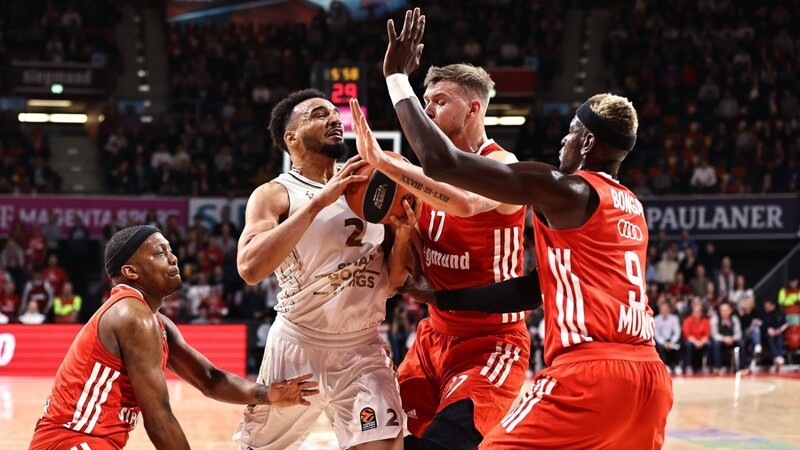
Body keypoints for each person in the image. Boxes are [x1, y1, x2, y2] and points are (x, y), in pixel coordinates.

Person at [376, 9, 672, 448]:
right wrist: (439, 296)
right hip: (650, 375)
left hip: (577, 367)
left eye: (570, 133)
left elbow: (445, 168)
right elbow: (534, 289)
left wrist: (396, 80)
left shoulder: (561, 188)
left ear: (587, 141)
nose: (562, 142)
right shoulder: (630, 207)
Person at [351, 61, 529, 449]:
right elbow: (399, 281)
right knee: (383, 441)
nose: (427, 111)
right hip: (432, 336)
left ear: (473, 109)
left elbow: (465, 204)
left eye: (439, 101)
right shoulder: (420, 185)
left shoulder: (502, 164)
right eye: (425, 101)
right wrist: (399, 233)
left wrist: (385, 164)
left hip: (491, 342)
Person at [232, 89, 413, 450]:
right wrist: (319, 203)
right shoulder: (275, 193)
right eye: (318, 114)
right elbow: (250, 268)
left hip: (362, 347)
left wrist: (404, 233)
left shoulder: (375, 188)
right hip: (298, 344)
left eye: (334, 112)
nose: (333, 118)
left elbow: (392, 282)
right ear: (292, 138)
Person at [30, 225, 319, 450]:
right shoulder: (131, 315)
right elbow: (158, 418)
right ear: (130, 272)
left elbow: (209, 379)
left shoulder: (156, 322)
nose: (173, 258)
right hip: (70, 441)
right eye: (159, 254)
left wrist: (267, 394)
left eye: (170, 250)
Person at [709, 302, 743, 373]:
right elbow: (714, 334)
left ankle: (742, 366)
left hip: (732, 340)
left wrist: (732, 338)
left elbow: (738, 334)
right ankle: (718, 367)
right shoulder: (715, 319)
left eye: (726, 310)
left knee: (741, 342)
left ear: (730, 310)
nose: (724, 312)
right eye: (722, 310)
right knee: (715, 343)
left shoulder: (734, 319)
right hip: (721, 341)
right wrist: (724, 339)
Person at [654, 302, 682, 374]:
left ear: (669, 310)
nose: (664, 311)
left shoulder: (674, 318)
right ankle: (665, 365)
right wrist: (664, 343)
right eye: (663, 309)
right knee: (659, 346)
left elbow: (677, 332)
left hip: (672, 339)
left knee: (678, 345)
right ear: (660, 310)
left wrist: (672, 342)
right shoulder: (656, 319)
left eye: (666, 309)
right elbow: (656, 334)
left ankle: (677, 365)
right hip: (662, 341)